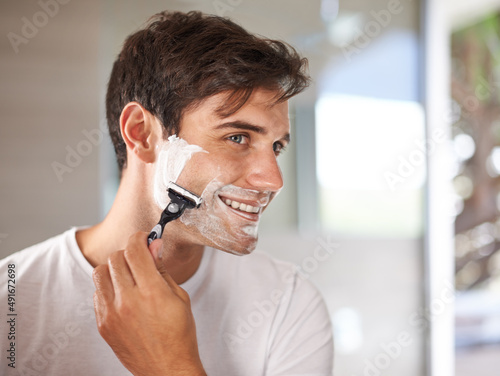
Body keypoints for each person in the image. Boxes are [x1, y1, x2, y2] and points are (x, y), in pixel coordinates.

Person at [0, 10, 333, 376]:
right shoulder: (10, 298)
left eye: (277, 147)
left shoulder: (288, 305)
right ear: (141, 134)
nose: (273, 180)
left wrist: (169, 364)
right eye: (237, 137)